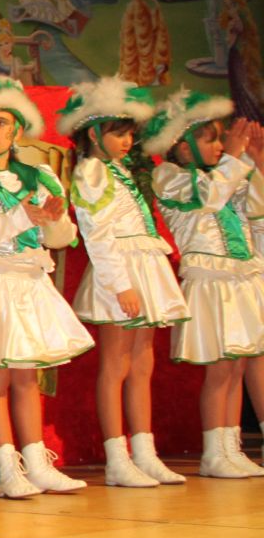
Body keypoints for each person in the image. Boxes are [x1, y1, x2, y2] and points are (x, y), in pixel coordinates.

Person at [0, 77, 94, 498]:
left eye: (1, 122)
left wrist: (54, 218)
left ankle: (37, 463)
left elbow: (61, 239)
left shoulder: (39, 175)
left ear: (17, 128)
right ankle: (7, 468)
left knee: (27, 377)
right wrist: (20, 217)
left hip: (30, 281)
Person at [59, 78, 187, 488]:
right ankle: (117, 457)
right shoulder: (92, 171)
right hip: (119, 270)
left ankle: (145, 452)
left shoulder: (119, 170)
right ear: (94, 134)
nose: (128, 140)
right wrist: (120, 285)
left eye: (130, 133)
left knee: (142, 362)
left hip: (144, 264)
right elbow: (96, 232)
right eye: (118, 133)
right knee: (115, 365)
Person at [143, 92, 264, 479]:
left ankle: (232, 448)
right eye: (211, 140)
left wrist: (256, 161)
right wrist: (234, 157)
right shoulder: (170, 176)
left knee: (236, 366)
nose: (220, 147)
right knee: (219, 370)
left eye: (221, 139)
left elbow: (255, 211)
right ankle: (214, 451)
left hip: (239, 278)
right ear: (183, 146)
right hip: (210, 282)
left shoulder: (224, 175)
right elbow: (209, 198)